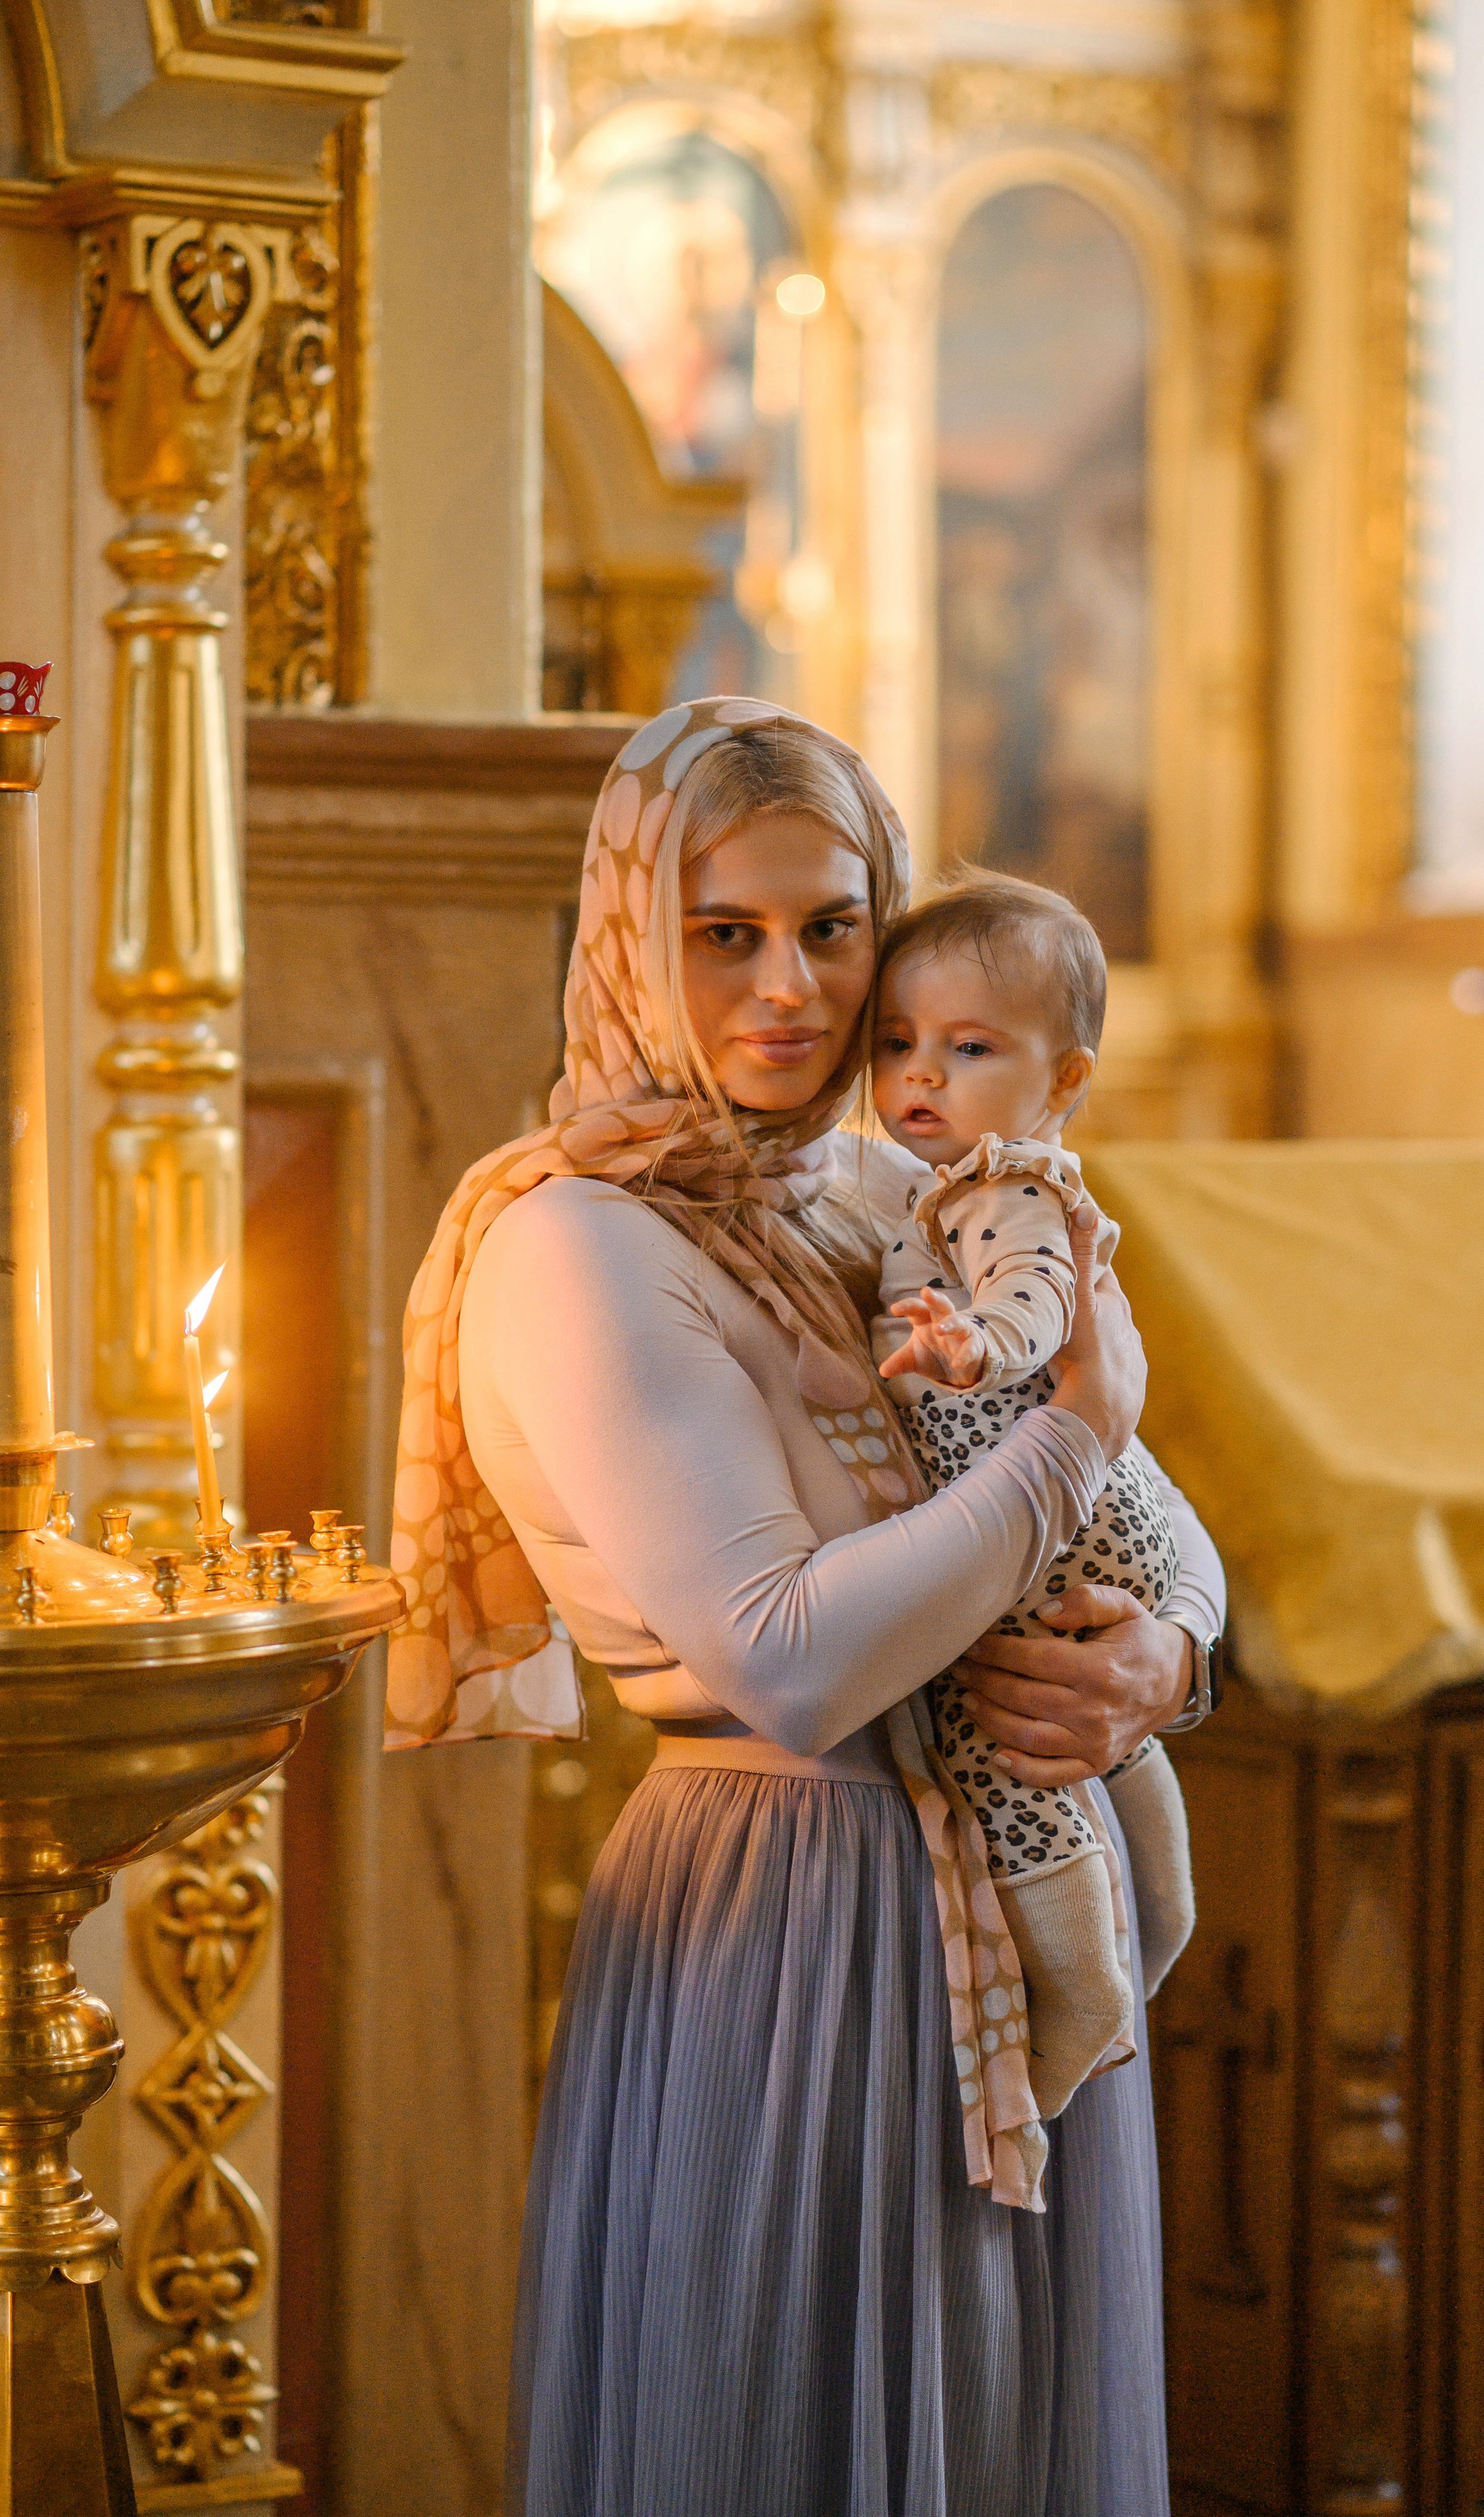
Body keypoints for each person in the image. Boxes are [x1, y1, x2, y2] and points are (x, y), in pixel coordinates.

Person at [385, 698, 1226, 2517]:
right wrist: (1081, 1432)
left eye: (832, 929)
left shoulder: (893, 1189)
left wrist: (1164, 1660)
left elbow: (1142, 1525)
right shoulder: (572, 1242)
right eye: (725, 932)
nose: (790, 986)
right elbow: (784, 1654)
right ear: (629, 936)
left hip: (994, 1904)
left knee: (1000, 2433)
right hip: (789, 1915)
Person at [867, 869, 1193, 2123]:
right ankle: (1157, 1927)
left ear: (1065, 1081)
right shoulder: (950, 1184)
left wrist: (977, 1350)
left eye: (968, 1047)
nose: (921, 1077)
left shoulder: (1005, 1187)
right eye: (898, 1045)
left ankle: (1084, 2002)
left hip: (1053, 1516)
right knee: (1111, 1742)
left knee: (999, 1746)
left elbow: (1035, 1296)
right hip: (1107, 1518)